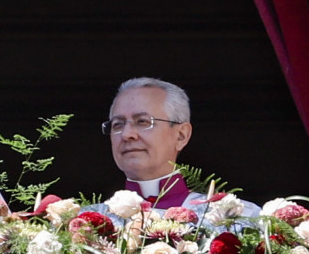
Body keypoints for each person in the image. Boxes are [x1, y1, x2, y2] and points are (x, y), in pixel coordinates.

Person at [103, 76, 258, 214]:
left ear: (181, 135)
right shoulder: (87, 226)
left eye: (142, 122)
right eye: (118, 124)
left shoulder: (234, 219)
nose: (126, 134)